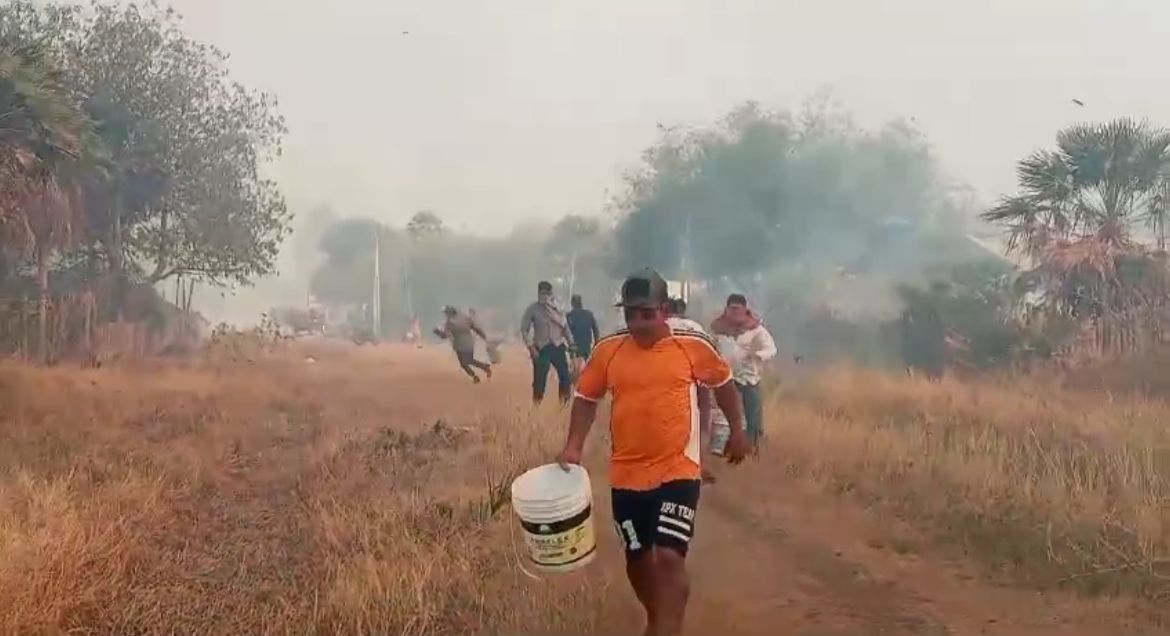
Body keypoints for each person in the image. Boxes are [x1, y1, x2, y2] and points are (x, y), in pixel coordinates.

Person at [557, 269, 750, 636]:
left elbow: (723, 385)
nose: (639, 323)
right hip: (626, 476)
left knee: (668, 555)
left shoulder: (691, 344)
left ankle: (666, 626)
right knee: (639, 560)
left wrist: (738, 431)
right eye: (631, 315)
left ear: (665, 311)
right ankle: (659, 617)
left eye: (647, 314)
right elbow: (585, 398)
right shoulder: (609, 350)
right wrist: (573, 447)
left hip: (677, 469)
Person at [710, 294, 777, 454]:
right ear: (726, 310)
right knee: (723, 417)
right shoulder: (717, 329)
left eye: (738, 310)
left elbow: (771, 350)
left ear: (746, 309)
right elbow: (708, 347)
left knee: (752, 416)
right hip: (724, 380)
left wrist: (757, 355)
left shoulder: (757, 330)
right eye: (732, 309)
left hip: (749, 380)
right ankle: (724, 450)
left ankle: (752, 449)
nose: (735, 313)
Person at [666, 297, 716, 484]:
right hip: (698, 376)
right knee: (703, 416)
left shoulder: (660, 326)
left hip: (671, 379)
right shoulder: (696, 327)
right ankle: (699, 464)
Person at [520, 281, 574, 403]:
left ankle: (563, 405)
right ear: (538, 294)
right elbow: (524, 330)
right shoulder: (532, 309)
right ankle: (536, 405)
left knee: (565, 377)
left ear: (551, 294)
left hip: (558, 346)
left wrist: (572, 343)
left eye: (547, 293)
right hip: (541, 348)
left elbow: (565, 328)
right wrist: (531, 348)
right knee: (540, 380)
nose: (545, 296)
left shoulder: (558, 309)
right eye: (543, 293)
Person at [433, 306, 493, 383]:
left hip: (460, 345)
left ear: (449, 314)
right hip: (469, 342)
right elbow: (475, 328)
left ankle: (481, 371)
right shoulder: (464, 318)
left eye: (446, 313)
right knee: (467, 361)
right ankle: (479, 373)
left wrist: (437, 331)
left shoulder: (449, 323)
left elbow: (444, 336)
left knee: (465, 363)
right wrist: (483, 336)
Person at [567, 294, 600, 376]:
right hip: (586, 343)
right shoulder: (589, 314)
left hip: (573, 344)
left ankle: (576, 382)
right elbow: (595, 329)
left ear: (572, 303)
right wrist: (597, 342)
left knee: (574, 366)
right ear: (581, 303)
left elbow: (565, 331)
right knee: (586, 362)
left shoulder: (569, 316)